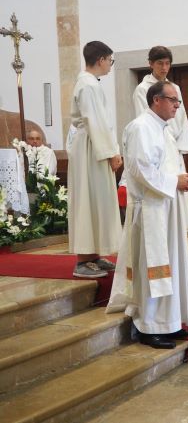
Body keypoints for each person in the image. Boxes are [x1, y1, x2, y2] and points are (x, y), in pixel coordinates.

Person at [106, 81, 188, 349]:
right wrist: (175, 182)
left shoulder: (163, 129)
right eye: (173, 100)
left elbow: (167, 166)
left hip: (166, 207)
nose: (177, 106)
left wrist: (182, 180)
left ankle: (168, 323)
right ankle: (148, 326)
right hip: (150, 211)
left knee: (171, 267)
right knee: (152, 270)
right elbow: (140, 169)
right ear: (157, 100)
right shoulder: (141, 127)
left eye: (178, 101)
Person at [68, 41, 122, 278]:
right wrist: (111, 153)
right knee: (88, 200)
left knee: (96, 200)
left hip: (94, 146)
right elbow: (95, 122)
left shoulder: (90, 83)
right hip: (92, 148)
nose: (110, 65)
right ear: (101, 59)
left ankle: (93, 255)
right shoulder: (88, 85)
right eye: (110, 60)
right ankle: (82, 262)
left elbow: (101, 122)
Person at [133, 46, 188, 229]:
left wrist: (182, 146)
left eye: (167, 63)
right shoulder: (142, 89)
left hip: (173, 144)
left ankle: (181, 227)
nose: (164, 68)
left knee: (179, 188)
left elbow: (181, 118)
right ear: (150, 64)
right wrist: (163, 137)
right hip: (158, 143)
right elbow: (144, 117)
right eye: (160, 63)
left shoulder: (174, 88)